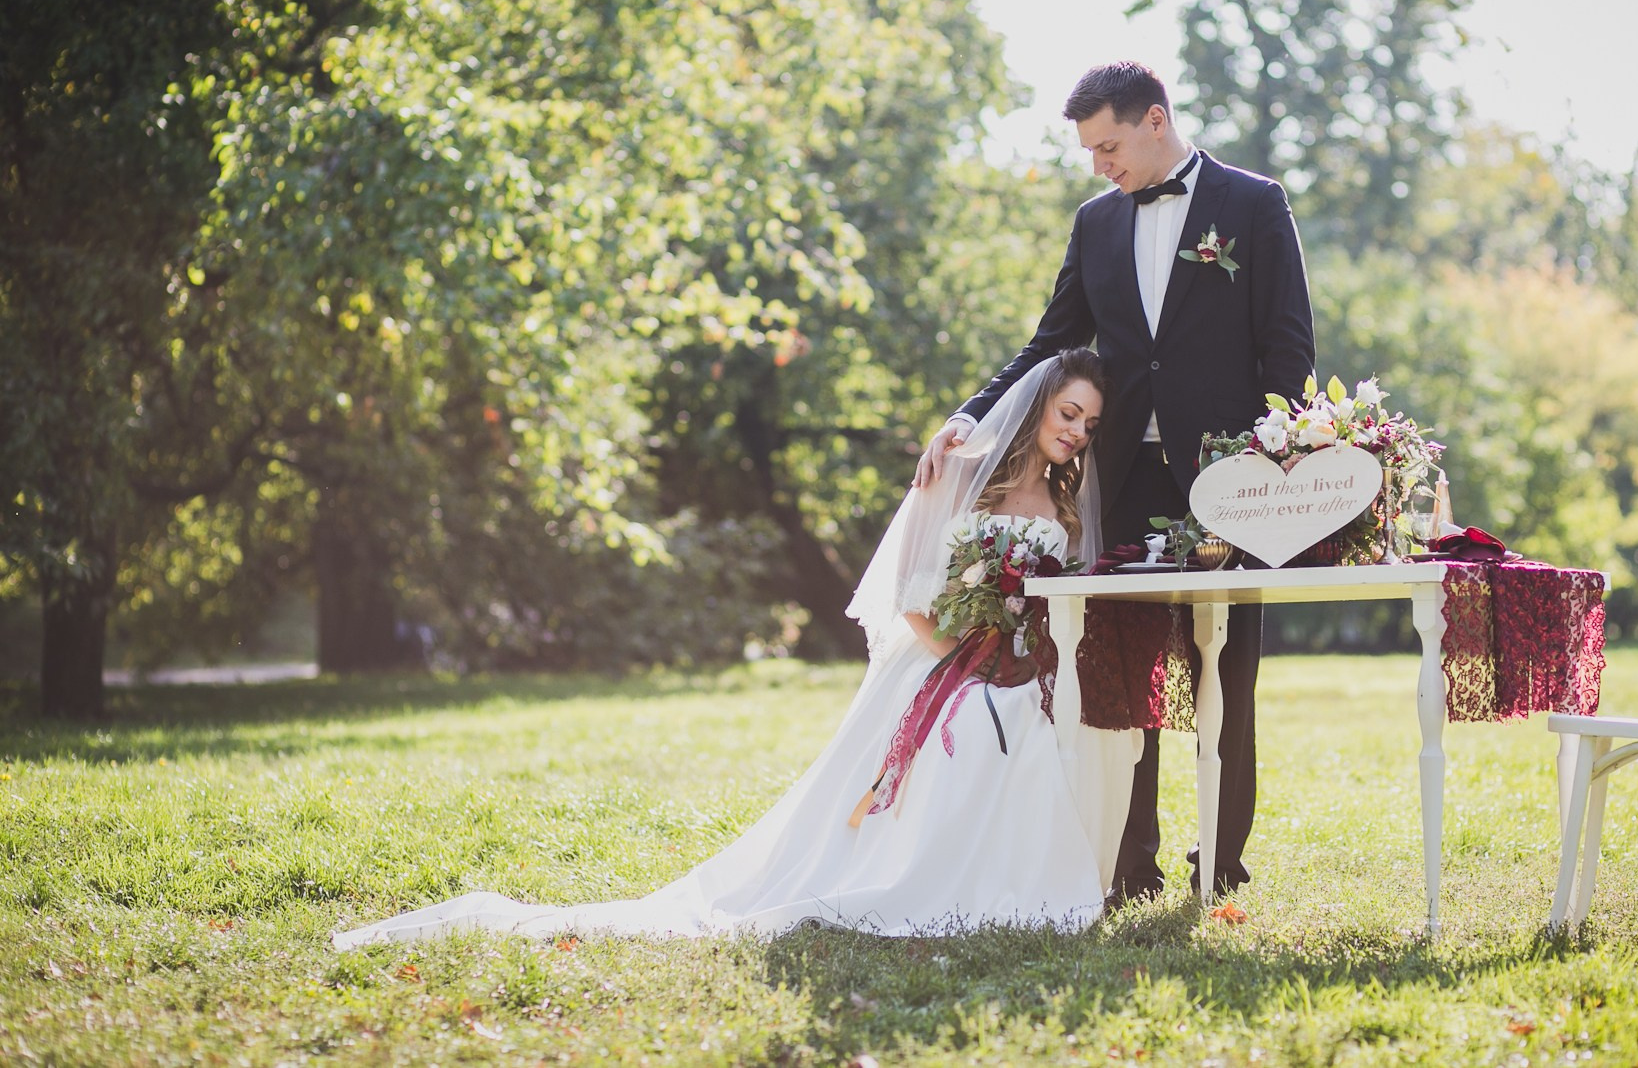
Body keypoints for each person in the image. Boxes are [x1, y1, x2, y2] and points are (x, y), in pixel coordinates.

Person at [332, 350, 1138, 949]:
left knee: (1033, 746)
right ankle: (922, 878)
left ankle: (1015, 886)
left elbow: (1057, 607)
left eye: (1089, 424)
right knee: (955, 754)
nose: (1076, 432)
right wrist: (966, 647)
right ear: (1035, 405)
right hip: (946, 667)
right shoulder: (968, 482)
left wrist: (1015, 648)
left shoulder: (1067, 515)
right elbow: (913, 596)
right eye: (1069, 412)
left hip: (1025, 674)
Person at [916, 62, 1315, 902]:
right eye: (1091, 151)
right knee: (1122, 667)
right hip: (1123, 477)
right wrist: (970, 415)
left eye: (1108, 146)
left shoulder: (1253, 203)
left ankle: (1223, 860)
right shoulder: (1096, 224)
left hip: (1230, 481)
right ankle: (1132, 863)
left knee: (1227, 671)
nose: (1100, 165)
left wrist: (1275, 471)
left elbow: (1288, 349)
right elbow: (1049, 341)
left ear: (1156, 120)